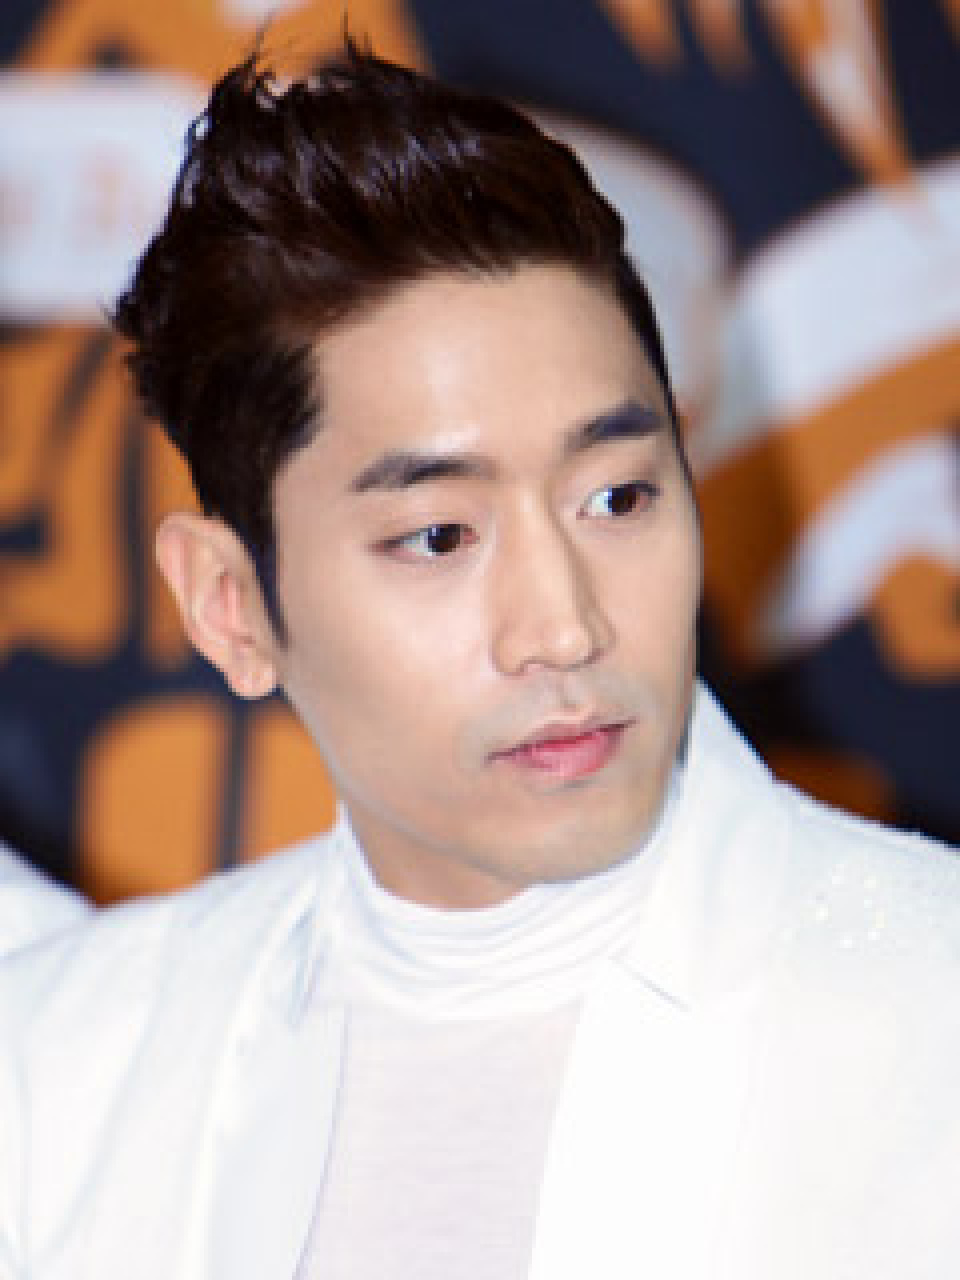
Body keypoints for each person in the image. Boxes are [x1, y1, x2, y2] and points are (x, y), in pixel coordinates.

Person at [1, 43, 958, 1280]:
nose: (564, 626)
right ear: (230, 605)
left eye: (616, 497)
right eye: (440, 536)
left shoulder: (928, 1009)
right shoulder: (79, 1065)